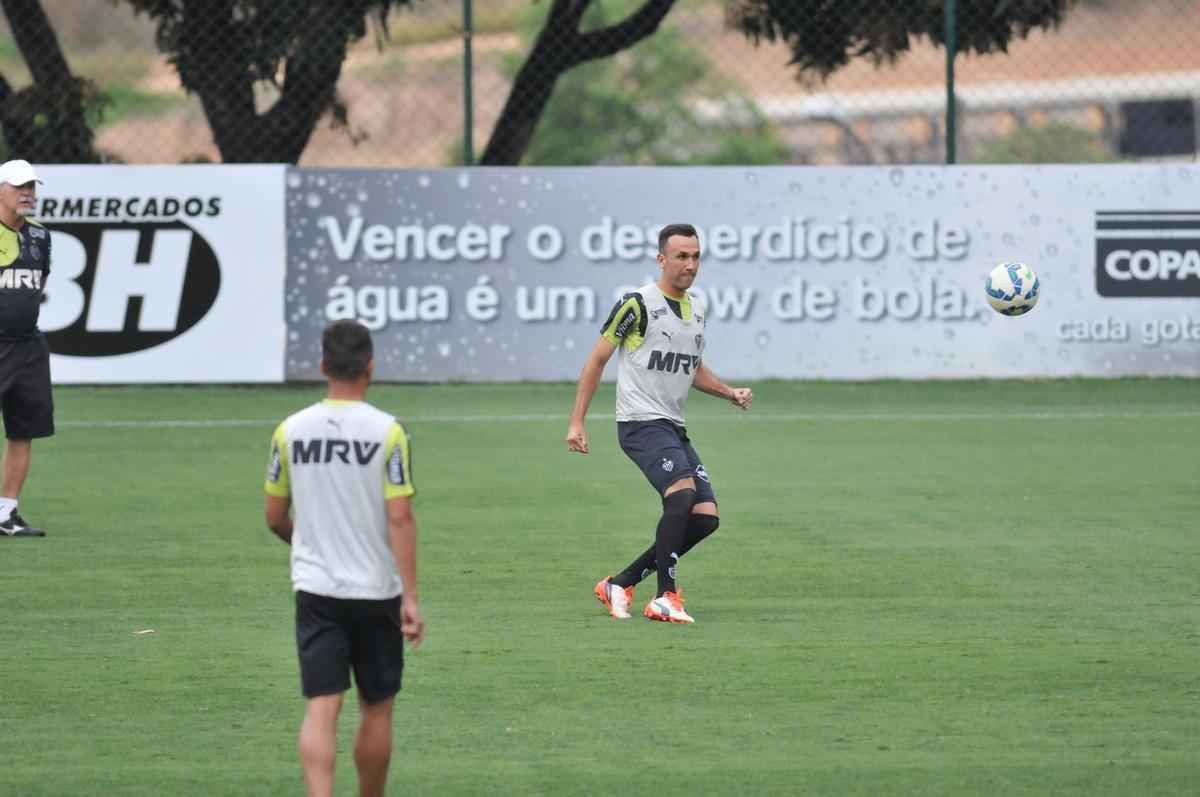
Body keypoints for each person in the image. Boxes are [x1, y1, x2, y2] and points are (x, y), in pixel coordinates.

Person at [264, 319, 424, 797]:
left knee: (322, 704)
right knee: (377, 706)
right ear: (370, 366)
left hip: (316, 589)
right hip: (376, 589)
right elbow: (400, 519)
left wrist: (310, 543)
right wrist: (411, 596)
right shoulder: (388, 432)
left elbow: (274, 516)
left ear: (322, 366)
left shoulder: (290, 431)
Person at [566, 223, 753, 624]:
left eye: (696, 256)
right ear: (661, 259)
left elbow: (693, 368)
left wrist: (728, 392)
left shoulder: (697, 308)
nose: (690, 264)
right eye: (681, 256)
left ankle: (621, 582)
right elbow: (596, 360)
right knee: (681, 497)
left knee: (705, 517)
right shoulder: (636, 305)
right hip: (639, 422)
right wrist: (577, 422)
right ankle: (666, 596)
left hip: (672, 426)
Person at [0, 159, 52, 538]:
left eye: (32, 187)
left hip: (28, 345)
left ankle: (6, 513)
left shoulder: (40, 236)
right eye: (19, 186)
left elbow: (39, 284)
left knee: (23, 430)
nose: (28, 194)